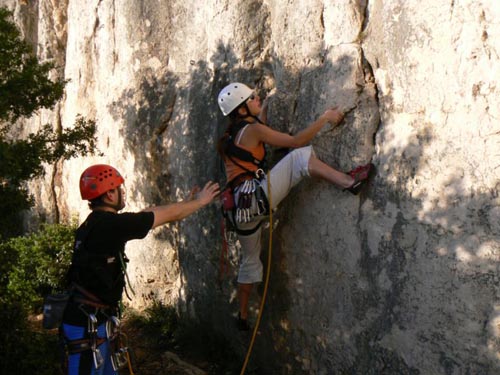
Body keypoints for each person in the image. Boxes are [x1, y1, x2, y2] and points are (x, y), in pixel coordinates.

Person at [217, 82, 373, 331]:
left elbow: (254, 146)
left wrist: (263, 110)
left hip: (239, 212)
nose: (257, 98)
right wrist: (325, 118)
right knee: (301, 157)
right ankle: (349, 182)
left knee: (249, 260)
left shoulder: (232, 136)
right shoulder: (252, 129)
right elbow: (295, 141)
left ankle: (243, 315)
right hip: (256, 198)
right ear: (243, 107)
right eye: (253, 97)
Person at [61, 164, 219, 374]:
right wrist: (199, 202)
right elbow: (165, 216)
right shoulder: (110, 226)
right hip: (86, 325)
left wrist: (186, 203)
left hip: (93, 321)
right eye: (119, 188)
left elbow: (146, 214)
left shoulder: (96, 224)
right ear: (109, 194)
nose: (123, 192)